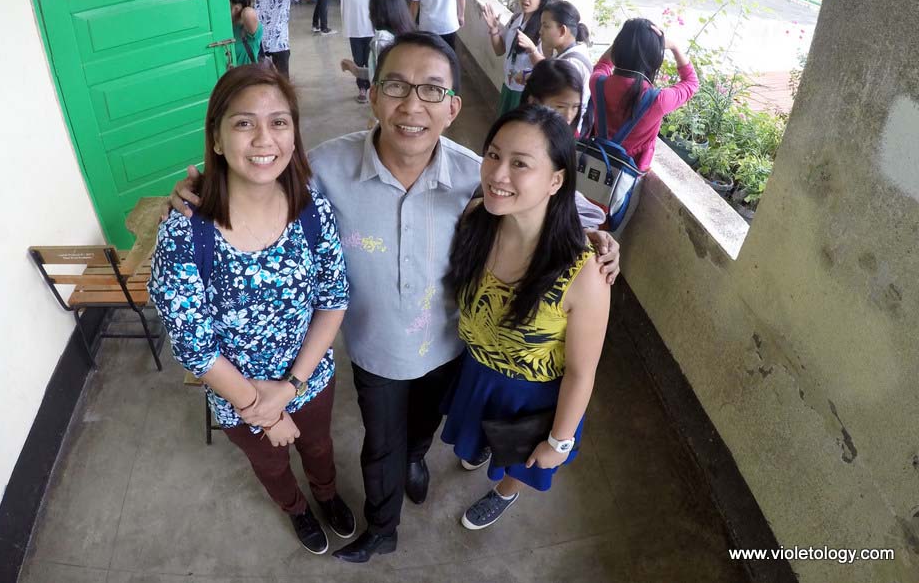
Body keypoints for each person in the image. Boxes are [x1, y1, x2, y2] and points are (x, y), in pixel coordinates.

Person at [166, 33, 621, 563]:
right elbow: (262, 175)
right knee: (380, 443)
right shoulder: (325, 170)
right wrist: (195, 194)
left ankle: (417, 458)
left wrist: (602, 241)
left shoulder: (479, 176)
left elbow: (555, 206)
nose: (412, 106)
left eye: (431, 91)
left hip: (449, 347)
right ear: (373, 95)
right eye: (397, 86)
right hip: (376, 352)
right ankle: (383, 527)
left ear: (452, 108)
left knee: (420, 430)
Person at [149, 65, 354, 555]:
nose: (265, 138)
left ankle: (325, 495)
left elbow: (333, 300)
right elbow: (194, 347)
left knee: (320, 448)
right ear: (216, 138)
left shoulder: (310, 208)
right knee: (271, 465)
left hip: (309, 378)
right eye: (244, 123)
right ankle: (297, 510)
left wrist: (292, 387)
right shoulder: (186, 232)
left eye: (279, 122)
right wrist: (260, 411)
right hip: (238, 398)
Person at [441, 104, 611, 529]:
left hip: (530, 396)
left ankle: (505, 494)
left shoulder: (583, 272)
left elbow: (580, 373)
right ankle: (482, 444)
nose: (498, 174)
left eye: (521, 164)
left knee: (520, 461)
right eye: (494, 155)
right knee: (477, 441)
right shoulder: (476, 220)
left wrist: (558, 441)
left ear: (556, 180)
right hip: (476, 372)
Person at [589, 18, 698, 171]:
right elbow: (691, 82)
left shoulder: (597, 83)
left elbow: (603, 64)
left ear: (618, 48)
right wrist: (674, 46)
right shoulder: (658, 100)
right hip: (628, 177)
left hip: (593, 164)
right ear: (654, 58)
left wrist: (629, 39)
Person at [323, 0, 399, 102]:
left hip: (372, 29)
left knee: (373, 60)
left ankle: (374, 87)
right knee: (358, 61)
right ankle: (362, 88)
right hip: (354, 29)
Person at [480, 0, 552, 115]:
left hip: (526, 93)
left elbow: (546, 68)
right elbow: (500, 50)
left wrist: (532, 49)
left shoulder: (544, 29)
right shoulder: (516, 19)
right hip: (508, 85)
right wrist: (494, 29)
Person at [518, 1, 594, 135]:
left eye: (545, 26)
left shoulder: (573, 63)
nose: (540, 31)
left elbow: (552, 83)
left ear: (562, 30)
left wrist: (526, 76)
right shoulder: (569, 53)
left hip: (564, 130)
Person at [521, 58, 586, 134]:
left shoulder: (571, 136)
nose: (569, 117)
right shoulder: (519, 139)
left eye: (575, 107)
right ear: (534, 101)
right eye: (560, 107)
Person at [228, 0, 262, 65]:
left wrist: (244, 5)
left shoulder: (249, 28)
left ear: (236, 8)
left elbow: (248, 13)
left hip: (246, 77)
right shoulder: (226, 26)